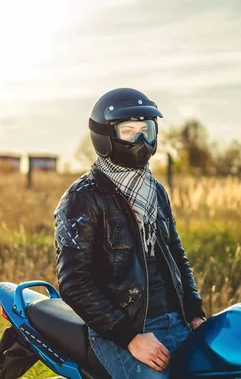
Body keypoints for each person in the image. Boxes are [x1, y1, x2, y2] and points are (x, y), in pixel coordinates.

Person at [54, 88, 206, 378]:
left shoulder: (156, 191)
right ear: (105, 136)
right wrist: (130, 337)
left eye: (146, 130)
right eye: (128, 131)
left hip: (177, 322)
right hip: (121, 331)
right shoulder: (82, 198)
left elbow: (176, 255)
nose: (141, 140)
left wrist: (195, 312)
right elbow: (75, 282)